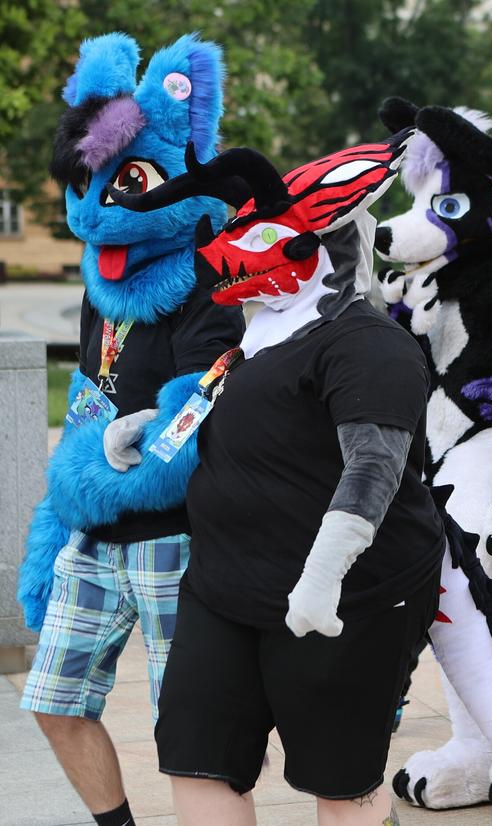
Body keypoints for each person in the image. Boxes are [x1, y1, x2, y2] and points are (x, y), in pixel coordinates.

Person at [17, 34, 244, 826]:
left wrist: (109, 459)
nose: (98, 207)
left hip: (176, 543)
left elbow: (197, 410)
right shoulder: (102, 287)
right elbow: (89, 398)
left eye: (128, 181)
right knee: (51, 699)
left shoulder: (207, 278)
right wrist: (55, 525)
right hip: (95, 538)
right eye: (87, 185)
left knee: (193, 735)